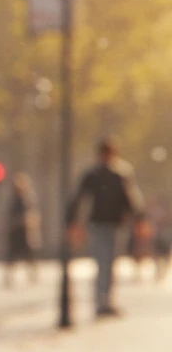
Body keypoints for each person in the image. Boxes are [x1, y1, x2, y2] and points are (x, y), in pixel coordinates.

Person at [66, 136, 146, 317]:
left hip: (116, 225)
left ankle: (105, 301)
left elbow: (131, 199)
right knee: (103, 261)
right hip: (99, 224)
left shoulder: (120, 174)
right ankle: (102, 302)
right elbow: (79, 198)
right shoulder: (94, 174)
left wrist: (139, 219)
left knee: (109, 263)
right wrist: (73, 221)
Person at [4, 172, 40, 288]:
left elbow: (31, 215)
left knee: (28, 255)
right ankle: (9, 277)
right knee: (13, 255)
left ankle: (33, 274)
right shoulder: (14, 199)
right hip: (15, 231)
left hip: (24, 231)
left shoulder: (26, 199)